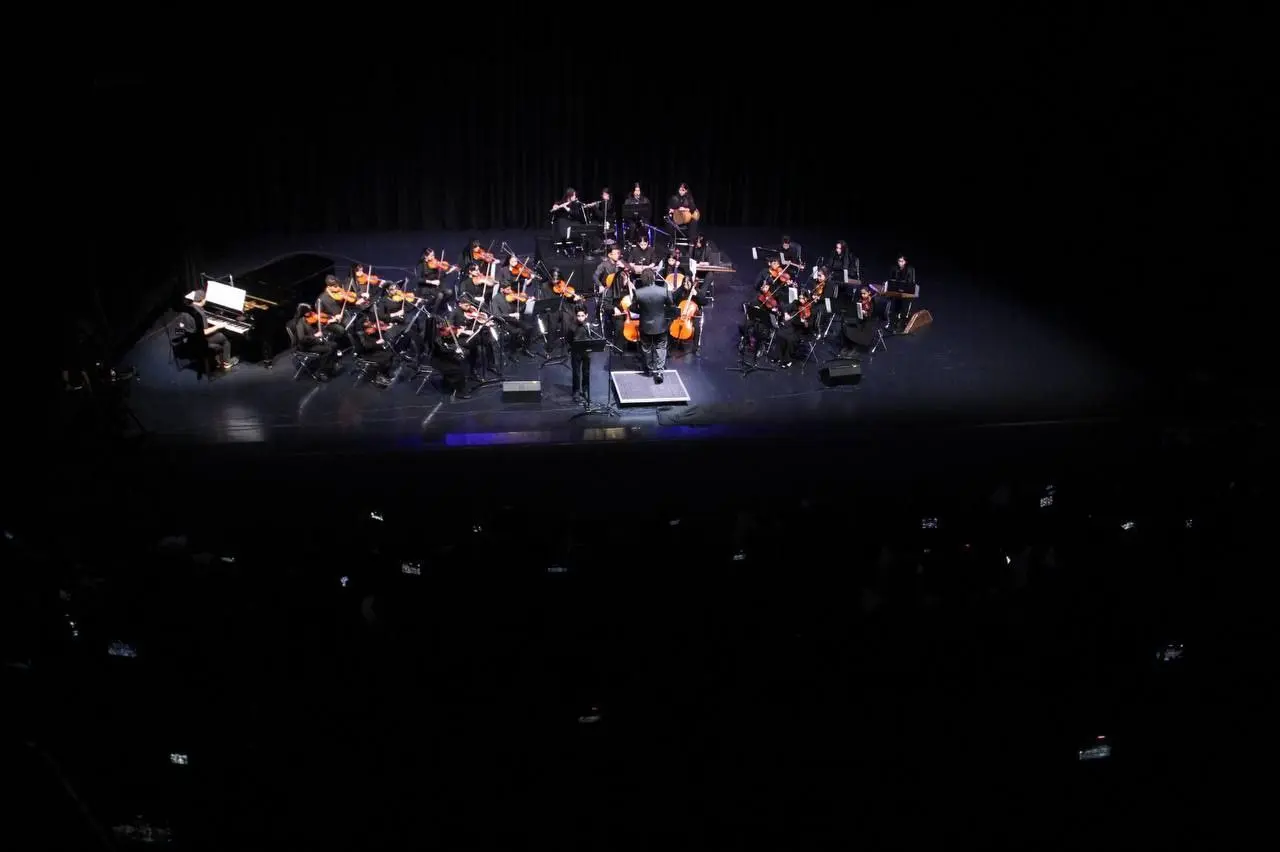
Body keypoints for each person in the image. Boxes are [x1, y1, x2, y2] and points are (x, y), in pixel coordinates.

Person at [630, 269, 674, 382]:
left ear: (643, 279)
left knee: (646, 347)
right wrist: (670, 291)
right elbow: (670, 304)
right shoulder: (663, 291)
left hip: (645, 325)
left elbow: (633, 308)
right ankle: (659, 371)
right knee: (661, 347)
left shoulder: (638, 293)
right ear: (654, 278)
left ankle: (649, 369)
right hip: (661, 325)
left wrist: (643, 311)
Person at [189, 290, 237, 370]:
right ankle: (227, 363)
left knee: (218, 334)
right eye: (205, 298)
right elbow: (204, 332)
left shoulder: (191, 307)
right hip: (201, 340)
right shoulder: (200, 314)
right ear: (202, 299)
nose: (206, 300)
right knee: (224, 337)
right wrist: (217, 326)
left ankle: (218, 360)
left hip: (192, 338)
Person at [594, 245, 630, 339]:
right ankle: (599, 319)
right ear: (610, 255)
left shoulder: (621, 262)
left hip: (620, 290)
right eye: (616, 253)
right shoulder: (603, 265)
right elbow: (595, 276)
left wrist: (624, 267)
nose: (618, 255)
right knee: (604, 302)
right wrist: (600, 286)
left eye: (619, 253)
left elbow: (631, 269)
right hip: (607, 290)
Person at [291, 305, 338, 378]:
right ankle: (321, 371)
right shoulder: (300, 323)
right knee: (328, 349)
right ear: (303, 312)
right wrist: (315, 336)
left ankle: (330, 367)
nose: (310, 312)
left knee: (334, 345)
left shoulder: (306, 319)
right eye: (308, 311)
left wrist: (320, 331)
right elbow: (302, 338)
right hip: (306, 346)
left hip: (313, 342)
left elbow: (311, 331)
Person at [775, 289, 816, 368]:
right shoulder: (796, 302)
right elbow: (786, 308)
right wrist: (786, 314)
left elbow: (810, 325)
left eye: (802, 298)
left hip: (802, 329)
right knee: (780, 334)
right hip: (793, 325)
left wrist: (804, 322)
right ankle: (780, 357)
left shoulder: (812, 308)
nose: (800, 300)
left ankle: (788, 360)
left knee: (790, 339)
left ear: (806, 298)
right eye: (799, 297)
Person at [885, 254, 918, 332]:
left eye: (902, 261)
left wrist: (905, 288)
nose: (900, 263)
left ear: (905, 262)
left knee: (904, 308)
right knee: (894, 308)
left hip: (906, 292)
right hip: (896, 292)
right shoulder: (894, 268)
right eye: (899, 261)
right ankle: (892, 323)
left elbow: (911, 283)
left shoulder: (910, 269)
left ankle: (901, 325)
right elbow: (891, 280)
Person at [568, 305, 593, 402]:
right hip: (576, 353)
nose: (580, 318)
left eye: (582, 316)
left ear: (586, 315)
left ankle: (585, 390)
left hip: (586, 353)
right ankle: (576, 391)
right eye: (578, 316)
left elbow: (592, 338)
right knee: (576, 373)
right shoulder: (572, 327)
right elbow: (569, 339)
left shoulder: (589, 326)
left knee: (586, 372)